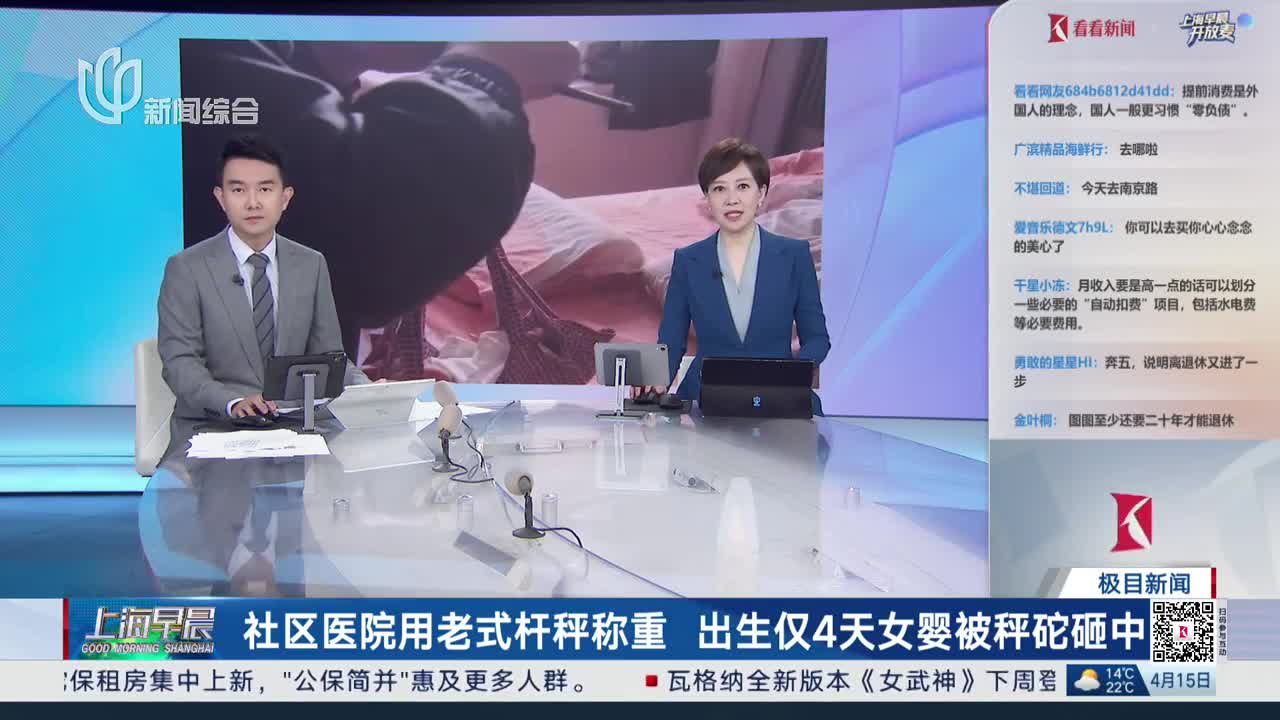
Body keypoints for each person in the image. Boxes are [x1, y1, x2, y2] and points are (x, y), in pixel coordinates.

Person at [158, 134, 370, 420]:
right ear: (221, 198)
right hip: (216, 424)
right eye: (238, 190)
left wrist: (366, 387)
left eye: (265, 189)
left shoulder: (311, 264)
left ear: (285, 198)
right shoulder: (186, 268)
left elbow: (329, 359)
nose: (253, 202)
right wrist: (232, 402)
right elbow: (180, 362)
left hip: (297, 422)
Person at [653, 138, 830, 414]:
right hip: (704, 398)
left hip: (780, 398)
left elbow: (817, 338)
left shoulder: (794, 255)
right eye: (719, 189)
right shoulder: (688, 261)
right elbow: (671, 342)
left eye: (743, 187)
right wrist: (656, 381)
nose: (731, 199)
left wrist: (793, 375)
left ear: (761, 193)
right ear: (707, 199)